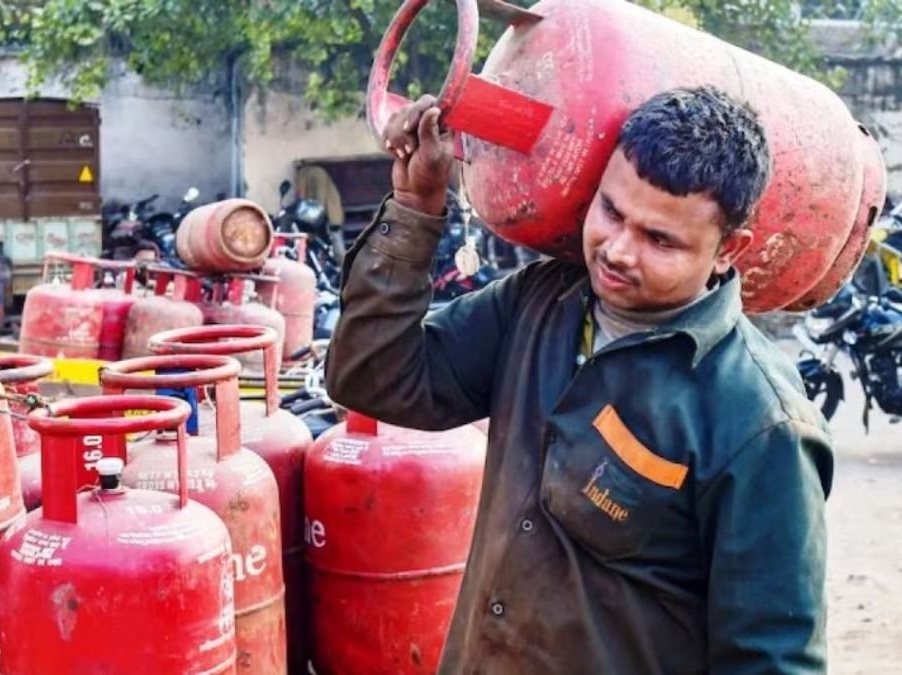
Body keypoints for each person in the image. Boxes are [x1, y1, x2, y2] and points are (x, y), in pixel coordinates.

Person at [325, 86, 833, 674]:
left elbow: (771, 661)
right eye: (611, 212)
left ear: (728, 251)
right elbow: (371, 379)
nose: (617, 251)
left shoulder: (761, 426)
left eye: (659, 239)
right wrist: (416, 207)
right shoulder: (540, 304)